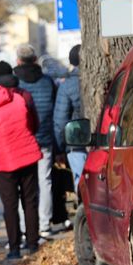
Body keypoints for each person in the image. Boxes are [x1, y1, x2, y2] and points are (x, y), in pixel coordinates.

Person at [0, 72, 42, 258]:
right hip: (28, 155)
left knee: (10, 205)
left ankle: (14, 247)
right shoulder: (18, 99)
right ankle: (33, 242)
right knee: (30, 201)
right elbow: (32, 123)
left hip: (4, 162)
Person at [14, 44, 57, 238]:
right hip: (45, 136)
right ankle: (44, 223)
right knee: (45, 180)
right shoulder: (47, 82)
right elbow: (54, 110)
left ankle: (25, 226)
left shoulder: (15, 84)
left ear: (18, 60)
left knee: (24, 186)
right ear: (35, 59)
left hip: (23, 139)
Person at [54, 44, 86, 189]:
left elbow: (60, 121)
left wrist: (59, 148)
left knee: (81, 185)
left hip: (77, 143)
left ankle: (84, 210)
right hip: (104, 141)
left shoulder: (67, 86)